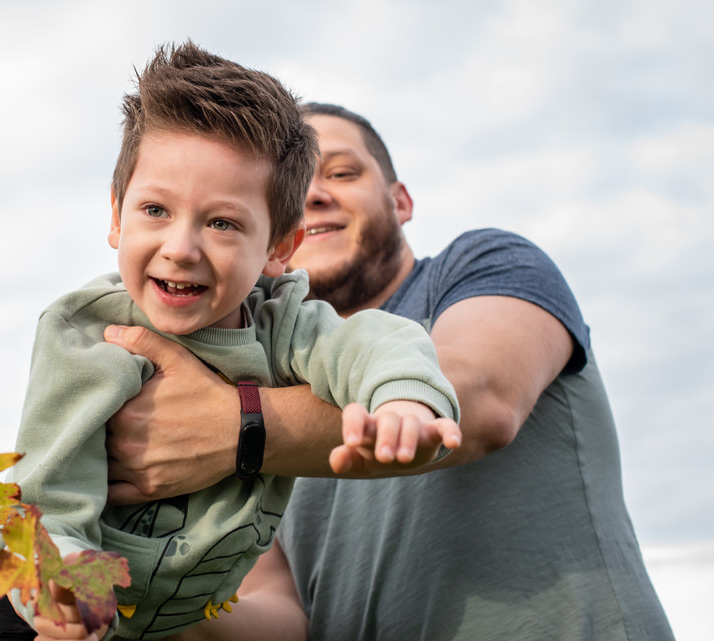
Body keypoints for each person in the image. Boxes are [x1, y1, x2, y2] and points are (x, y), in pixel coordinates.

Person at [102, 104, 676, 640]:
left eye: (344, 173)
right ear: (275, 236)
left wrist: (235, 429)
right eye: (292, 189)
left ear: (400, 200)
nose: (314, 196)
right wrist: (141, 605)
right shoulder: (248, 371)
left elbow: (480, 397)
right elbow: (282, 612)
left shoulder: (481, 263)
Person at [0, 48, 462, 641]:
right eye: (155, 210)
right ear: (117, 217)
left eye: (222, 223)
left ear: (279, 248)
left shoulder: (281, 325)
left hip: (157, 619)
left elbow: (370, 341)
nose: (181, 247)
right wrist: (63, 594)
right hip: (33, 572)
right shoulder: (90, 336)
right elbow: (51, 495)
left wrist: (401, 400)